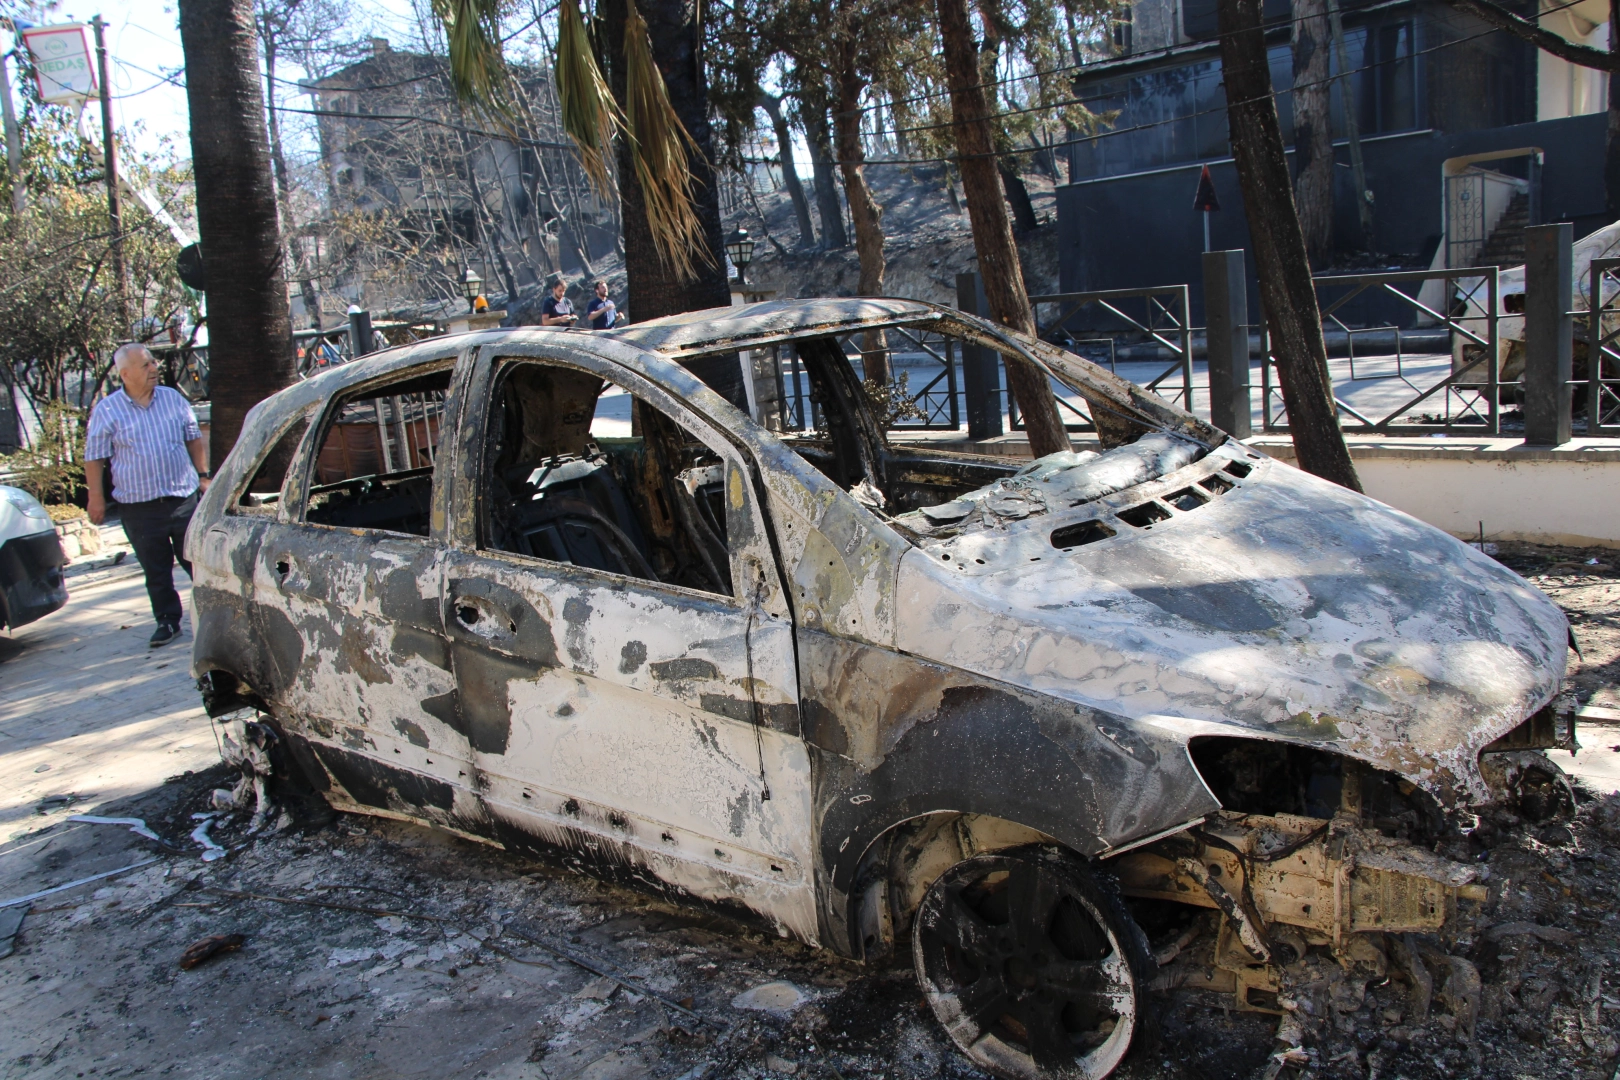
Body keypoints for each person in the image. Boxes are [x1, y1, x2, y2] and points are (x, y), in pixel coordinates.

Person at [85, 343, 210, 648]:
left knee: (199, 563)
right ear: (125, 374)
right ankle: (168, 622)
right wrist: (96, 498)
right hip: (138, 508)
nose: (154, 368)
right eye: (146, 365)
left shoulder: (173, 400)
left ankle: (213, 617)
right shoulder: (108, 410)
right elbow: (94, 458)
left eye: (153, 363)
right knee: (155, 569)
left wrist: (203, 475)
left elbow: (193, 439)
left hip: (182, 500)